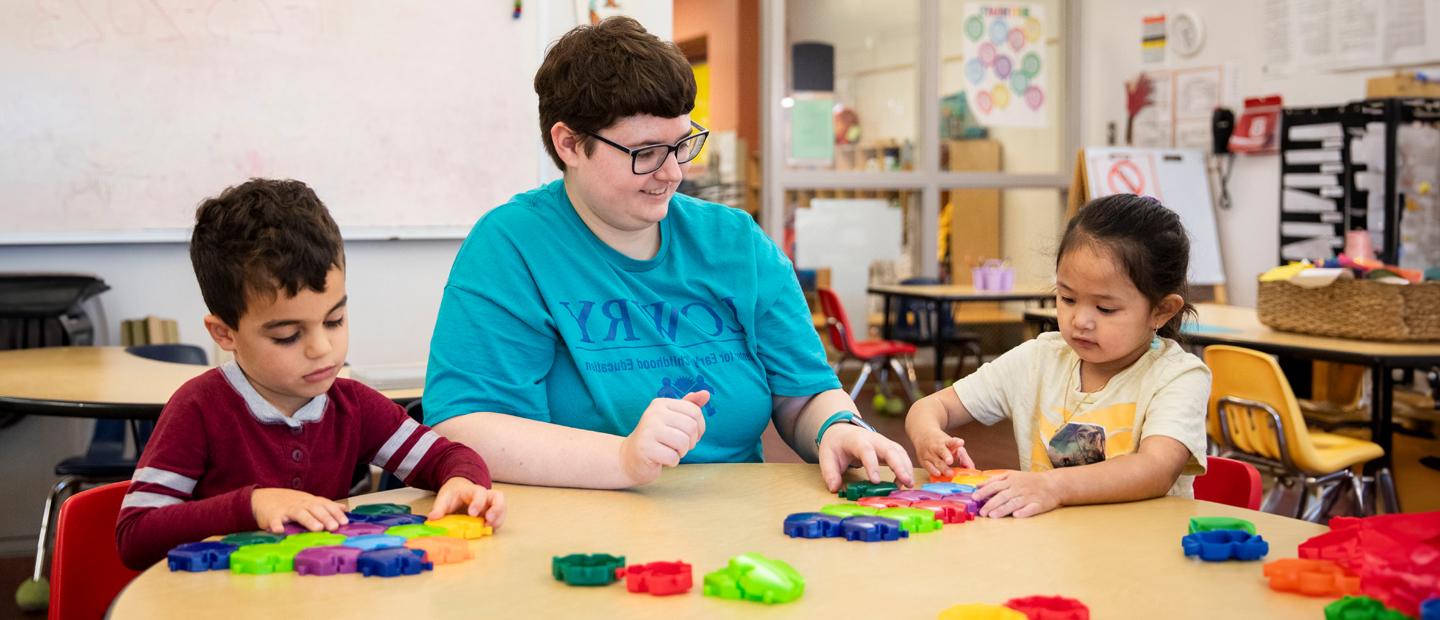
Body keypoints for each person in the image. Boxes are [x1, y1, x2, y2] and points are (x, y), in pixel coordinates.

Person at [424, 17, 911, 491]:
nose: (673, 173)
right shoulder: (512, 247)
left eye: (683, 144)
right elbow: (466, 427)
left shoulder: (735, 242)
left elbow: (801, 395)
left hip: (732, 524)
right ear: (569, 143)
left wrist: (837, 428)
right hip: (579, 528)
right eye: (647, 152)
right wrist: (622, 460)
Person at [115, 179, 504, 569]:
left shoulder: (354, 406)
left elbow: (448, 457)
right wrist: (252, 504)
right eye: (287, 335)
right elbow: (136, 536)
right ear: (225, 333)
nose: (321, 348)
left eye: (334, 320)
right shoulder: (199, 408)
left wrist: (463, 483)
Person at [905, 194, 1210, 518]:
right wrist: (928, 435)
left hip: (1141, 553)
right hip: (1052, 552)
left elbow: (1155, 470)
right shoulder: (1039, 359)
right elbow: (931, 406)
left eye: (1105, 308)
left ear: (1161, 311)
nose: (1080, 320)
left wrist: (1053, 486)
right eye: (1066, 298)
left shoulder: (1177, 376)